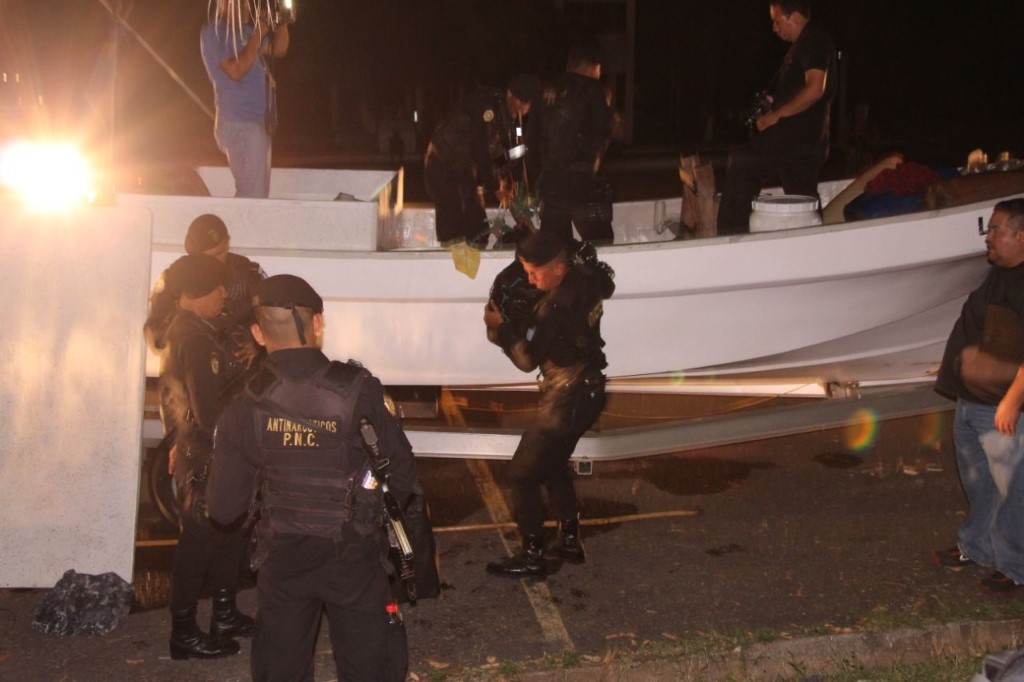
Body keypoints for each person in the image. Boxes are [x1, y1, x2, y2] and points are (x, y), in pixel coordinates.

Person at [206, 274, 420, 680]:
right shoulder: (359, 390)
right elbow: (404, 476)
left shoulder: (244, 402)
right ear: (318, 323)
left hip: (282, 560)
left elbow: (224, 509)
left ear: (257, 332)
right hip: (353, 556)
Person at [482, 231, 615, 577]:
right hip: (590, 389)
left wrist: (499, 330)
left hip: (566, 397)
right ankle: (569, 541)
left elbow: (527, 360)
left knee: (522, 473)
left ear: (557, 267)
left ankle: (532, 554)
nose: (529, 280)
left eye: (534, 272)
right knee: (553, 463)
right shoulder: (586, 279)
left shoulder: (553, 306)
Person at [157, 254, 254, 660]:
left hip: (200, 448)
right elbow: (207, 409)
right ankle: (184, 633)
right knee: (197, 544)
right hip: (206, 454)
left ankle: (225, 613)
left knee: (230, 531)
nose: (223, 294)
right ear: (196, 293)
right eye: (216, 288)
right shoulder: (194, 338)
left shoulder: (193, 328)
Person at [933, 198, 1024, 595]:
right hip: (972, 400)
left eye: (997, 230)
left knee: (1012, 487)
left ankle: (1015, 564)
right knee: (979, 481)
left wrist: (1013, 402)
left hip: (1001, 406)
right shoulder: (1002, 272)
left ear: (1022, 236)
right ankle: (979, 546)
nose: (988, 237)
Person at [717, 0, 837, 234]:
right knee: (802, 196)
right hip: (803, 143)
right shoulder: (804, 45)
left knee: (742, 162)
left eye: (776, 20)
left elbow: (814, 90)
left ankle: (731, 235)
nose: (774, 28)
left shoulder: (814, 39)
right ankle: (814, 244)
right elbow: (802, 90)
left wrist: (774, 117)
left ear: (794, 17)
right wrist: (774, 103)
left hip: (796, 140)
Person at [424, 75, 540, 248]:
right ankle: (451, 267)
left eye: (529, 104)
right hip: (444, 165)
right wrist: (496, 188)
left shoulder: (515, 123)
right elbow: (482, 151)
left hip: (467, 171)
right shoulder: (487, 108)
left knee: (478, 229)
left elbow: (516, 156)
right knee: (455, 225)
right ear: (509, 94)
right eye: (521, 102)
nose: (525, 108)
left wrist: (520, 198)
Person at [145, 213, 266, 371]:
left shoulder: (247, 272)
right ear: (194, 256)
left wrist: (259, 342)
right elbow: (155, 334)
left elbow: (275, 319)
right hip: (192, 371)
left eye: (223, 251)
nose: (219, 259)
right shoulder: (175, 277)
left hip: (241, 376)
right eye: (212, 256)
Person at [200, 0, 290, 198]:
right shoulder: (215, 32)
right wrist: (259, 33)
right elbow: (235, 71)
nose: (244, 5)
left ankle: (242, 227)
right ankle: (240, 228)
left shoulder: (248, 30)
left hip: (258, 123)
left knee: (258, 191)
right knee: (252, 194)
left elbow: (279, 49)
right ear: (222, 4)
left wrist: (281, 19)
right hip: (239, 122)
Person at [536, 43, 617, 247]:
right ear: (594, 66)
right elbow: (602, 132)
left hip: (550, 186)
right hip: (582, 186)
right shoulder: (594, 88)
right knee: (601, 247)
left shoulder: (545, 89)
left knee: (555, 251)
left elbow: (529, 137)